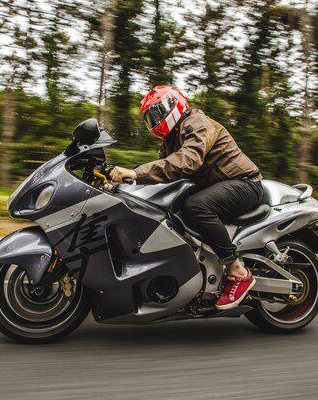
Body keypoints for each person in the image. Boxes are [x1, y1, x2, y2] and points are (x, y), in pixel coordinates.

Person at [110, 85, 263, 310]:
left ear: (174, 104)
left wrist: (134, 173)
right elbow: (160, 171)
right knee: (163, 208)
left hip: (244, 182)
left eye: (157, 112)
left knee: (196, 207)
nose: (155, 119)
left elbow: (187, 160)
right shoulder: (170, 140)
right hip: (216, 185)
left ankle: (236, 270)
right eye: (150, 116)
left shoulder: (197, 123)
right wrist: (120, 182)